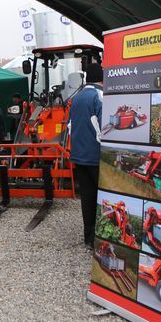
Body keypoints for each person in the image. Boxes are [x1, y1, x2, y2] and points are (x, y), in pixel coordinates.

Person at [68, 62, 103, 248]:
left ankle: (88, 238)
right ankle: (101, 239)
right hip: (96, 156)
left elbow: (70, 126)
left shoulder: (77, 97)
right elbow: (106, 127)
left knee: (87, 198)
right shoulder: (99, 96)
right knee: (102, 198)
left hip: (79, 156)